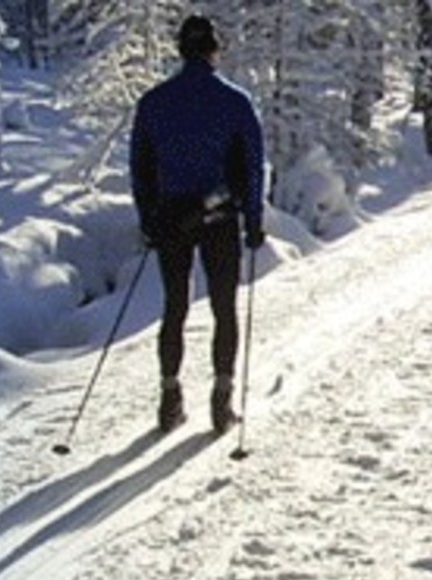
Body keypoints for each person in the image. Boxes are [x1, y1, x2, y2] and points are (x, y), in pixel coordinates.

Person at [130, 15, 266, 435]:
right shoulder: (236, 101)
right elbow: (252, 167)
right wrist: (254, 220)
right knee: (224, 307)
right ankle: (222, 400)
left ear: (180, 51)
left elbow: (141, 169)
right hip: (219, 216)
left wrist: (148, 219)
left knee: (175, 307)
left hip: (171, 218)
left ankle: (169, 398)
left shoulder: (153, 102)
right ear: (213, 50)